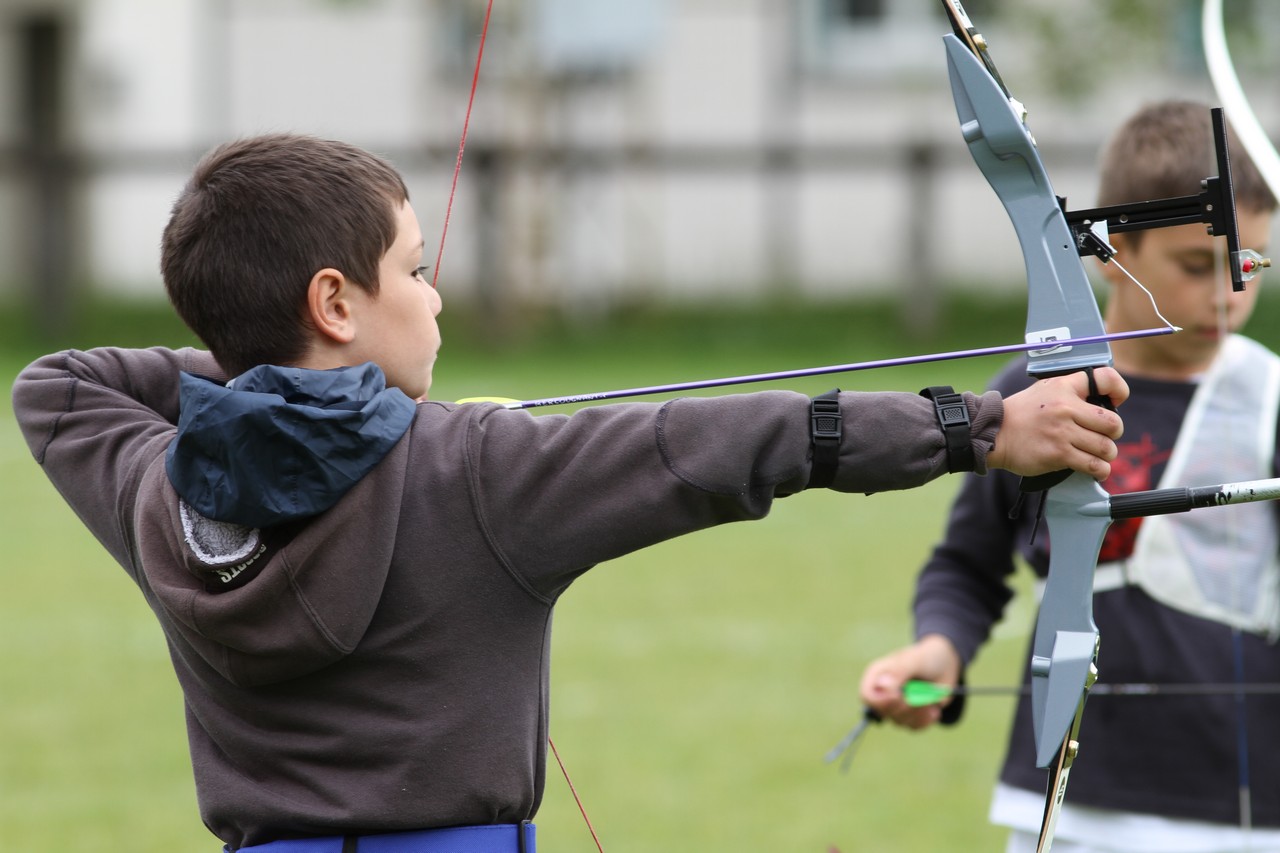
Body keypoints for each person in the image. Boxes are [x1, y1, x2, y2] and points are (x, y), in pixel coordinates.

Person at [11, 133, 1128, 853]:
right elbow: (730, 441)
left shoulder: (156, 489)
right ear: (336, 302)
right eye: (412, 268)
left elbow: (59, 384)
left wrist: (268, 385)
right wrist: (983, 426)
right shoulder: (475, 471)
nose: (434, 294)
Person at [859, 100, 1280, 853]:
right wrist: (939, 650)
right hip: (1070, 807)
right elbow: (970, 563)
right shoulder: (1037, 394)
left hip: (1243, 809)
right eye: (1198, 265)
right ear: (1113, 245)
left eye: (1250, 264)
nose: (1232, 295)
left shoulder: (1270, 397)